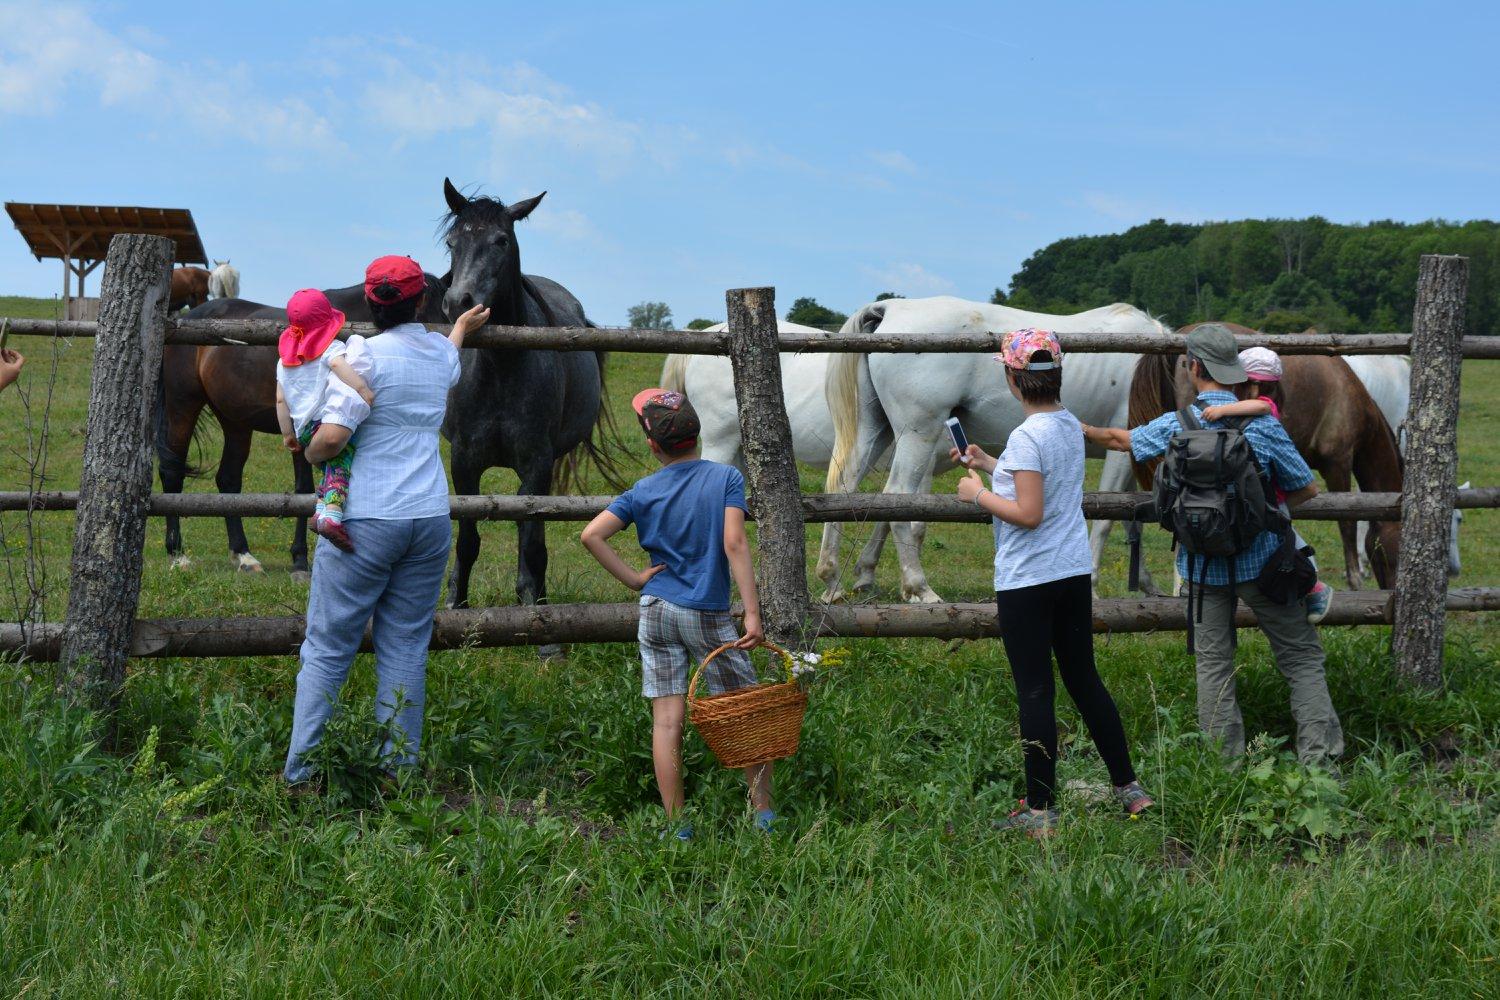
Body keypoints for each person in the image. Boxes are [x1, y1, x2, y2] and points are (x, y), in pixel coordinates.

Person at [1081, 324, 1343, 766]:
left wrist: (1077, 425)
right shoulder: (1262, 423)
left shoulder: (1178, 424)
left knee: (1214, 665)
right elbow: (1306, 489)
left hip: (1203, 568)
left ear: (1194, 366)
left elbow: (1122, 441)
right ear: (1235, 371)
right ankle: (1319, 763)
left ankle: (1225, 767)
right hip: (1266, 564)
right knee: (1300, 659)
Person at [283, 256, 488, 787]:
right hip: (427, 517)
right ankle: (397, 772)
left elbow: (331, 439)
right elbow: (450, 353)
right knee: (404, 648)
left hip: (367, 518)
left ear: (370, 305)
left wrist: (309, 455)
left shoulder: (362, 356)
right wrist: (461, 327)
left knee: (328, 647)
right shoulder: (439, 355)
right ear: (420, 301)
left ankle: (302, 772)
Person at [953, 329, 1152, 838]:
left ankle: (1039, 811)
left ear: (1011, 379)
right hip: (1071, 572)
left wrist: (975, 494)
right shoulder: (1067, 426)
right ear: (1056, 377)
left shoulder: (1025, 435)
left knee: (1036, 691)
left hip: (1028, 580)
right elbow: (1040, 481)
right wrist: (989, 466)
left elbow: (1027, 511)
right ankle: (1128, 788)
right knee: (1085, 680)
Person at [580, 387, 773, 839]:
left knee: (667, 721)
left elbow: (591, 535)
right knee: (743, 709)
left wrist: (633, 579)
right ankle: (762, 814)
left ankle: (678, 825)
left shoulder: (641, 491)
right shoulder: (726, 478)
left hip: (657, 611)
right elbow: (734, 543)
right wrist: (751, 612)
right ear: (696, 432)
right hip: (706, 612)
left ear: (652, 445)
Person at [1198, 346, 1333, 624]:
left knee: (1290, 545)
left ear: (1254, 384)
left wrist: (1221, 409)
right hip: (1270, 497)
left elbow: (1259, 405)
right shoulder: (1267, 407)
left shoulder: (1263, 408)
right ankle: (1311, 590)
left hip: (1269, 497)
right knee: (1290, 542)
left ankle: (1315, 589)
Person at [275, 288, 377, 552]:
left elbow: (280, 400)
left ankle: (320, 509)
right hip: (324, 422)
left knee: (329, 468)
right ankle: (332, 516)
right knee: (341, 464)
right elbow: (339, 368)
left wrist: (288, 433)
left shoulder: (283, 362)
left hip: (304, 428)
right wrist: (361, 389)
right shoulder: (330, 349)